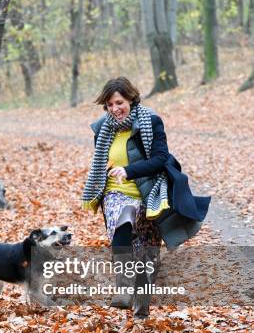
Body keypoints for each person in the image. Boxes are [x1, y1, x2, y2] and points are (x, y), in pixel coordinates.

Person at [82, 77, 211, 319]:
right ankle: (122, 285)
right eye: (109, 105)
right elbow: (100, 161)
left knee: (147, 256)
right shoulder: (103, 127)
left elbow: (161, 158)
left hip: (150, 193)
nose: (114, 109)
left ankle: (141, 312)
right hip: (115, 192)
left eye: (118, 102)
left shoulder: (149, 121)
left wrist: (129, 171)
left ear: (131, 98)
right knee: (123, 218)